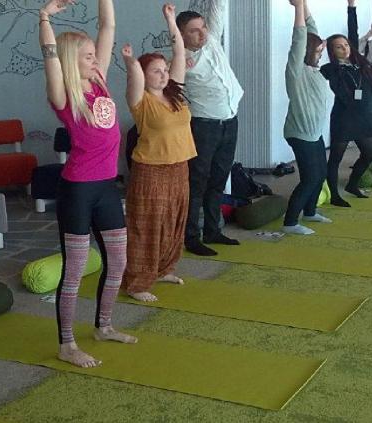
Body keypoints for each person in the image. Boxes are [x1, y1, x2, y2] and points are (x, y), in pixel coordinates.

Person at [38, 0, 137, 369]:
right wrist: (44, 17)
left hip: (106, 187)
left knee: (119, 261)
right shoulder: (63, 94)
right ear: (70, 61)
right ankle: (67, 344)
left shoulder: (99, 81)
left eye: (95, 55)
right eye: (88, 56)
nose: (95, 59)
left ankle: (104, 326)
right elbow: (49, 55)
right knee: (76, 268)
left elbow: (107, 26)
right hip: (78, 189)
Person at [121, 3, 194, 302]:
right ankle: (137, 283)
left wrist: (170, 20)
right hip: (151, 170)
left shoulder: (174, 93)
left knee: (175, 221)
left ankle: (164, 268)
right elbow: (135, 78)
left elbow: (179, 53)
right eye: (156, 71)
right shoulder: (140, 100)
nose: (163, 75)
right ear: (144, 74)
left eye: (165, 71)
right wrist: (131, 63)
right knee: (148, 226)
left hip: (180, 167)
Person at [177, 0, 244, 256]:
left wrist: (207, 26)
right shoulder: (181, 60)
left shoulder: (212, 41)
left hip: (229, 120)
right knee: (197, 182)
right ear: (181, 35)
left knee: (219, 178)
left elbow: (218, 9)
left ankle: (213, 230)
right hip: (204, 126)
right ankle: (191, 237)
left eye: (202, 27)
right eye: (193, 30)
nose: (201, 33)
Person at [320, 0, 372, 207]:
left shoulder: (358, 64)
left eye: (346, 45)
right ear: (332, 51)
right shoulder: (331, 69)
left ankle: (352, 184)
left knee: (370, 153)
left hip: (364, 118)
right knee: (335, 158)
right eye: (339, 47)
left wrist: (352, 6)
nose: (345, 49)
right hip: (344, 119)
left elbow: (352, 33)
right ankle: (334, 196)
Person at [281, 0, 332, 236]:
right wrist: (298, 9)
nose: (321, 54)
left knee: (321, 174)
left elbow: (312, 30)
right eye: (318, 51)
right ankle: (291, 222)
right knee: (310, 178)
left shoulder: (314, 70)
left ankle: (310, 211)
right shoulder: (296, 70)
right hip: (300, 134)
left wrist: (303, 4)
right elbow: (300, 37)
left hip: (314, 133)